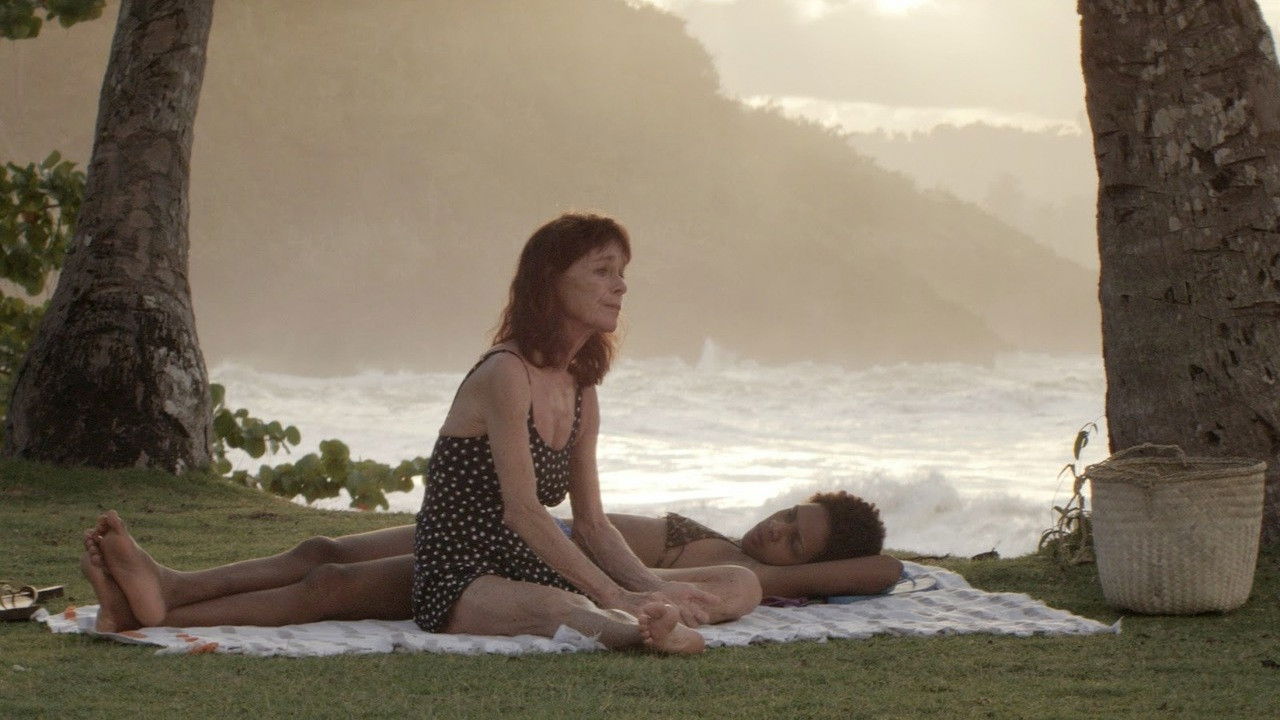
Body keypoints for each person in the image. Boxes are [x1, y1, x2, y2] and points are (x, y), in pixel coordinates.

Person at [84, 214, 754, 654]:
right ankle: (161, 604)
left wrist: (648, 587)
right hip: (459, 560)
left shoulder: (581, 388)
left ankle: (161, 596)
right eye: (603, 272)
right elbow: (525, 511)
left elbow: (594, 524)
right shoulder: (507, 375)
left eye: (622, 273)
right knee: (325, 567)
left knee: (737, 583)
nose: (620, 287)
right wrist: (618, 595)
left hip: (511, 552)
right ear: (553, 282)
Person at [80, 493, 901, 636]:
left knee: (329, 590)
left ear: (811, 568)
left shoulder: (768, 583)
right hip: (510, 527)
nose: (777, 532)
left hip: (524, 568)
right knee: (319, 549)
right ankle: (173, 586)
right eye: (791, 515)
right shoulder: (729, 539)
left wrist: (841, 561)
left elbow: (887, 571)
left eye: (798, 539)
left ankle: (160, 617)